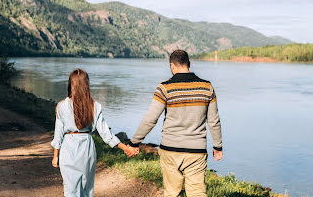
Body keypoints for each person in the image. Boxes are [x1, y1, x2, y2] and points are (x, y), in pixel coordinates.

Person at [128, 50, 223, 197]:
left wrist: (135, 142)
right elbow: (213, 121)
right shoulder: (207, 87)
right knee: (197, 193)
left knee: (172, 193)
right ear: (189, 64)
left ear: (172, 66)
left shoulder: (164, 88)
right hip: (196, 151)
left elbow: (150, 119)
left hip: (170, 150)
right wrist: (217, 145)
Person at [51, 68, 138, 197]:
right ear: (87, 84)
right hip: (87, 148)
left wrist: (55, 156)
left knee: (70, 189)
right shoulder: (95, 106)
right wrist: (126, 148)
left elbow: (58, 134)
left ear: (71, 84)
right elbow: (105, 134)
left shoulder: (61, 106)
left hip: (68, 148)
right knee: (87, 189)